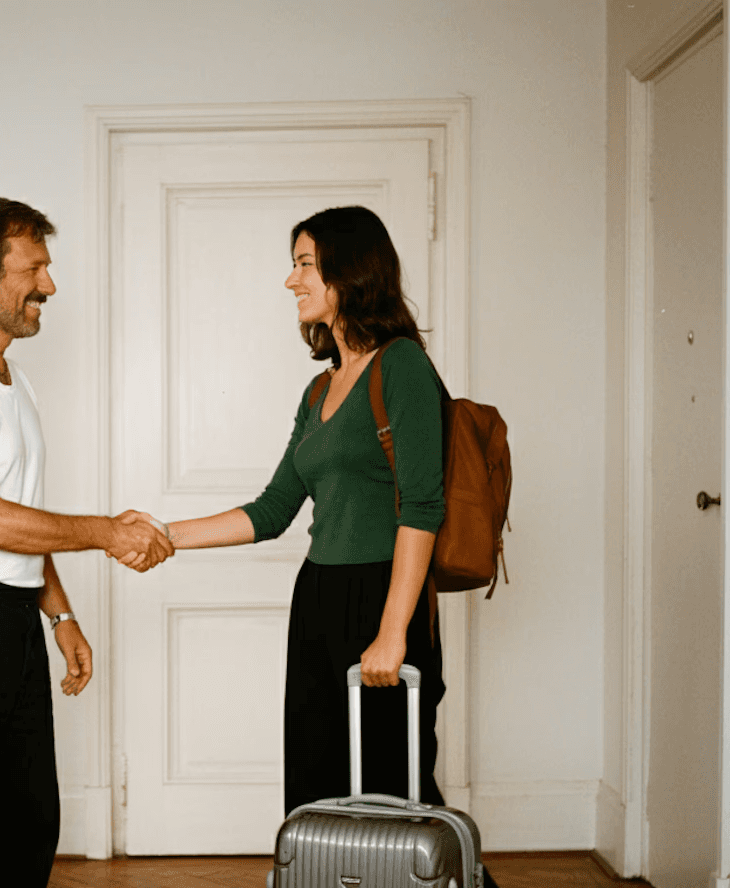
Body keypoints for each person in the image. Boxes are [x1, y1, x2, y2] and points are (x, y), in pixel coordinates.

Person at [0, 195, 173, 888]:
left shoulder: (16, 383)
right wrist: (106, 532)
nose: (49, 285)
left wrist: (59, 614)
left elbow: (21, 518)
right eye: (34, 267)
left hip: (10, 622)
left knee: (26, 824)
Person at [122, 205, 447, 812]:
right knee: (316, 789)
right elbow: (273, 510)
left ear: (348, 270)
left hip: (382, 596)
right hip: (319, 600)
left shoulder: (400, 365)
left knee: (392, 796)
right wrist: (163, 533)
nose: (291, 280)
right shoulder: (320, 389)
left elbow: (423, 507)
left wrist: (393, 632)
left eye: (304, 264)